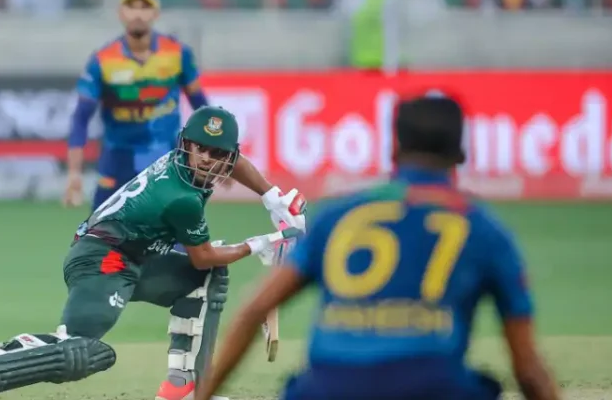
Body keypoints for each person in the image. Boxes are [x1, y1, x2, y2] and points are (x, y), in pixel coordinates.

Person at [196, 96, 561, 400]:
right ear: (461, 153)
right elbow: (528, 371)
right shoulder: (484, 230)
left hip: (328, 388)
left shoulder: (338, 216)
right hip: (431, 387)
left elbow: (254, 310)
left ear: (394, 148)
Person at [0, 106, 307, 400]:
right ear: (187, 145)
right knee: (81, 351)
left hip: (138, 257)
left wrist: (272, 196)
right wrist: (259, 244)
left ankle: (187, 387)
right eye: (201, 149)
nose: (208, 158)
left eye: (217, 153)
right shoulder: (181, 198)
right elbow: (203, 256)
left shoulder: (192, 166)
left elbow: (233, 166)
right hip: (103, 259)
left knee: (205, 280)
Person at [62, 0, 305, 246]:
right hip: (118, 162)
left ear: (155, 12)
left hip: (169, 162)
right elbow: (81, 118)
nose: (138, 13)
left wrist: (220, 160)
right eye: (131, 7)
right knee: (101, 242)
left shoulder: (177, 54)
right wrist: (74, 173)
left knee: (177, 246)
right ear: (121, 12)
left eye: (144, 7)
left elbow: (203, 109)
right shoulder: (103, 60)